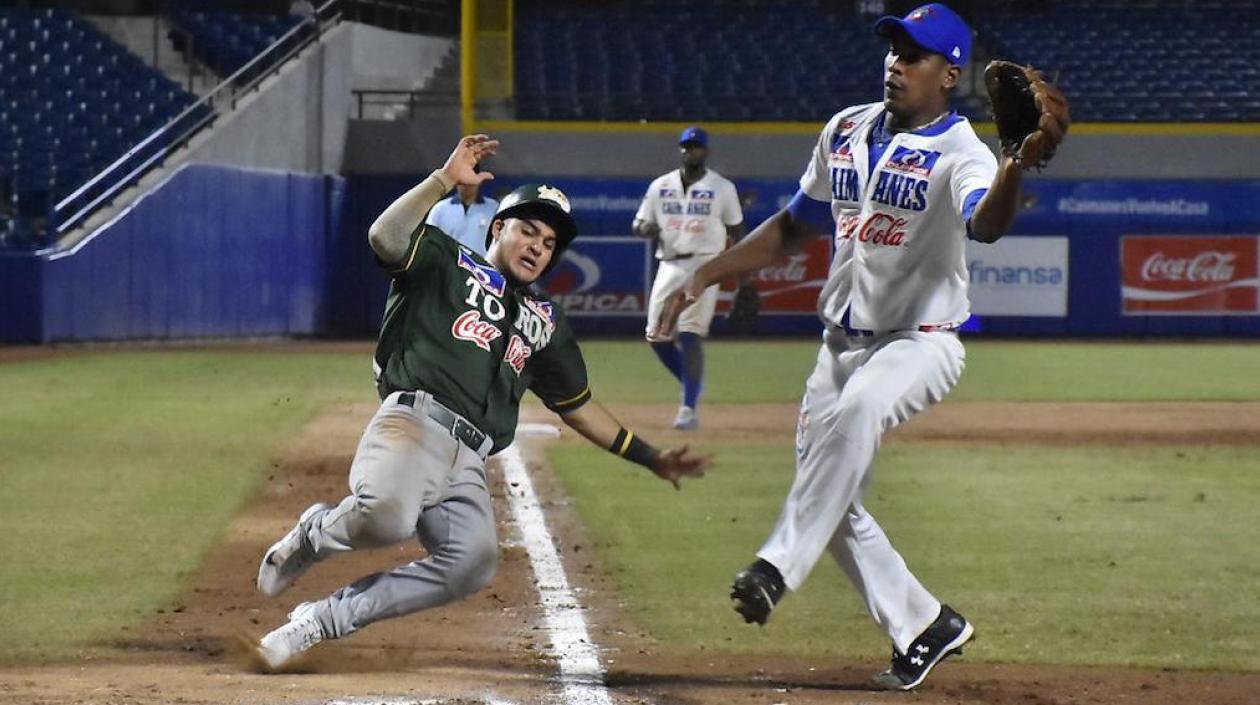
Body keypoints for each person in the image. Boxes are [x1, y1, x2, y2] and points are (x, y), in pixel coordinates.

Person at [653, 3, 1067, 692]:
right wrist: (703, 273)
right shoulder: (845, 128)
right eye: (893, 49)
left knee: (856, 417)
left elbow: (987, 224)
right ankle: (925, 624)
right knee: (830, 491)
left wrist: (1014, 166)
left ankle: (775, 567)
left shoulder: (962, 152)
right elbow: (793, 227)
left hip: (919, 342)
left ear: (949, 73)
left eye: (914, 54)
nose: (896, 64)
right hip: (836, 348)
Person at [250, 135, 708, 672]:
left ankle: (321, 620)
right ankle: (315, 533)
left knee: (471, 561)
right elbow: (384, 236)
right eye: (528, 230)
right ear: (497, 229)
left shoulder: (546, 321)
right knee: (389, 519)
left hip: (468, 461)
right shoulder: (447, 261)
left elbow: (578, 406)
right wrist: (443, 180)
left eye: (549, 242)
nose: (538, 247)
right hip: (413, 423)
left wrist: (651, 457)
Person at [632, 126, 746, 430]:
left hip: (705, 263)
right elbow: (639, 223)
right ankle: (692, 384)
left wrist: (740, 274)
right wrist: (646, 229)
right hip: (669, 264)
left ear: (705, 151)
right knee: (656, 336)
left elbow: (737, 231)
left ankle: (688, 409)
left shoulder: (722, 188)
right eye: (686, 146)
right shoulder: (660, 185)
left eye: (695, 146)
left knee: (689, 333)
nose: (689, 151)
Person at [424, 173, 499, 257]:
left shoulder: (493, 208)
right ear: (457, 182)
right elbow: (429, 240)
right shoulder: (440, 209)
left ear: (479, 181)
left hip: (482, 263)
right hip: (448, 263)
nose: (467, 184)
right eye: (464, 181)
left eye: (471, 180)